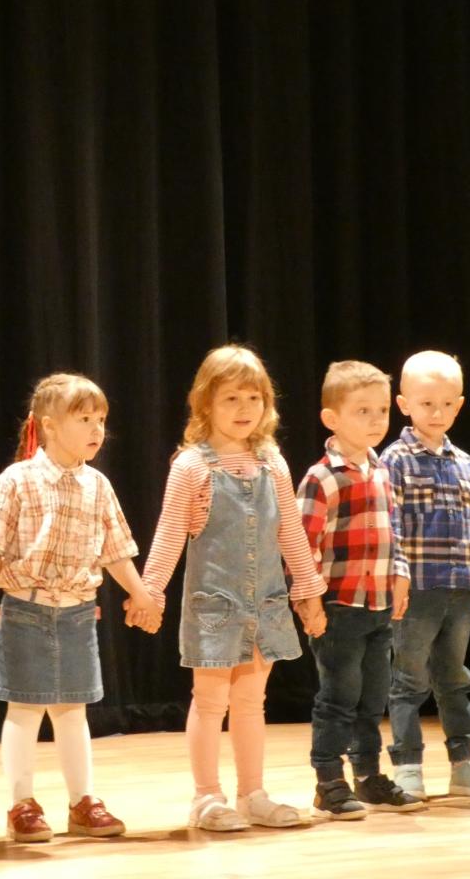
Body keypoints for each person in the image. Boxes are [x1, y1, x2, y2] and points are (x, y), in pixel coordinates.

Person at [0, 372, 159, 842]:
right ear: (49, 426)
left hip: (77, 612)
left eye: (101, 420)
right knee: (25, 708)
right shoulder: (17, 479)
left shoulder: (98, 485)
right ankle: (21, 804)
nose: (96, 429)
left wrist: (141, 593)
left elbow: (116, 550)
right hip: (26, 610)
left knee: (73, 709)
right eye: (84, 419)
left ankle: (82, 802)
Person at [143, 346, 327, 831]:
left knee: (250, 702)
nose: (244, 408)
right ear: (206, 403)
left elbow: (290, 532)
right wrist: (150, 592)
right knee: (210, 702)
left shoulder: (272, 463)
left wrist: (308, 591)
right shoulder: (192, 467)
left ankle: (252, 793)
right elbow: (168, 534)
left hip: (265, 603)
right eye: (231, 398)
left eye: (253, 397)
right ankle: (207, 796)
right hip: (216, 607)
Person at [296, 361, 422, 819]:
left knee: (373, 698)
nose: (375, 419)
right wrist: (309, 602)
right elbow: (302, 545)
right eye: (362, 410)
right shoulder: (322, 477)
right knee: (339, 697)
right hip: (339, 606)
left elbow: (394, 533)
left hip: (378, 606)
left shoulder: (381, 471)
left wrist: (401, 574)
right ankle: (329, 782)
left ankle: (368, 777)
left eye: (382, 410)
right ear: (332, 418)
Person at [380, 351, 470, 799]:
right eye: (427, 403)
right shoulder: (393, 460)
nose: (437, 413)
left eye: (447, 404)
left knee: (454, 678)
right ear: (404, 404)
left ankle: (463, 764)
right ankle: (407, 766)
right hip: (416, 589)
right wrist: (395, 581)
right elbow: (390, 527)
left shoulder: (466, 463)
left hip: (461, 588)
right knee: (408, 680)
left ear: (460, 405)